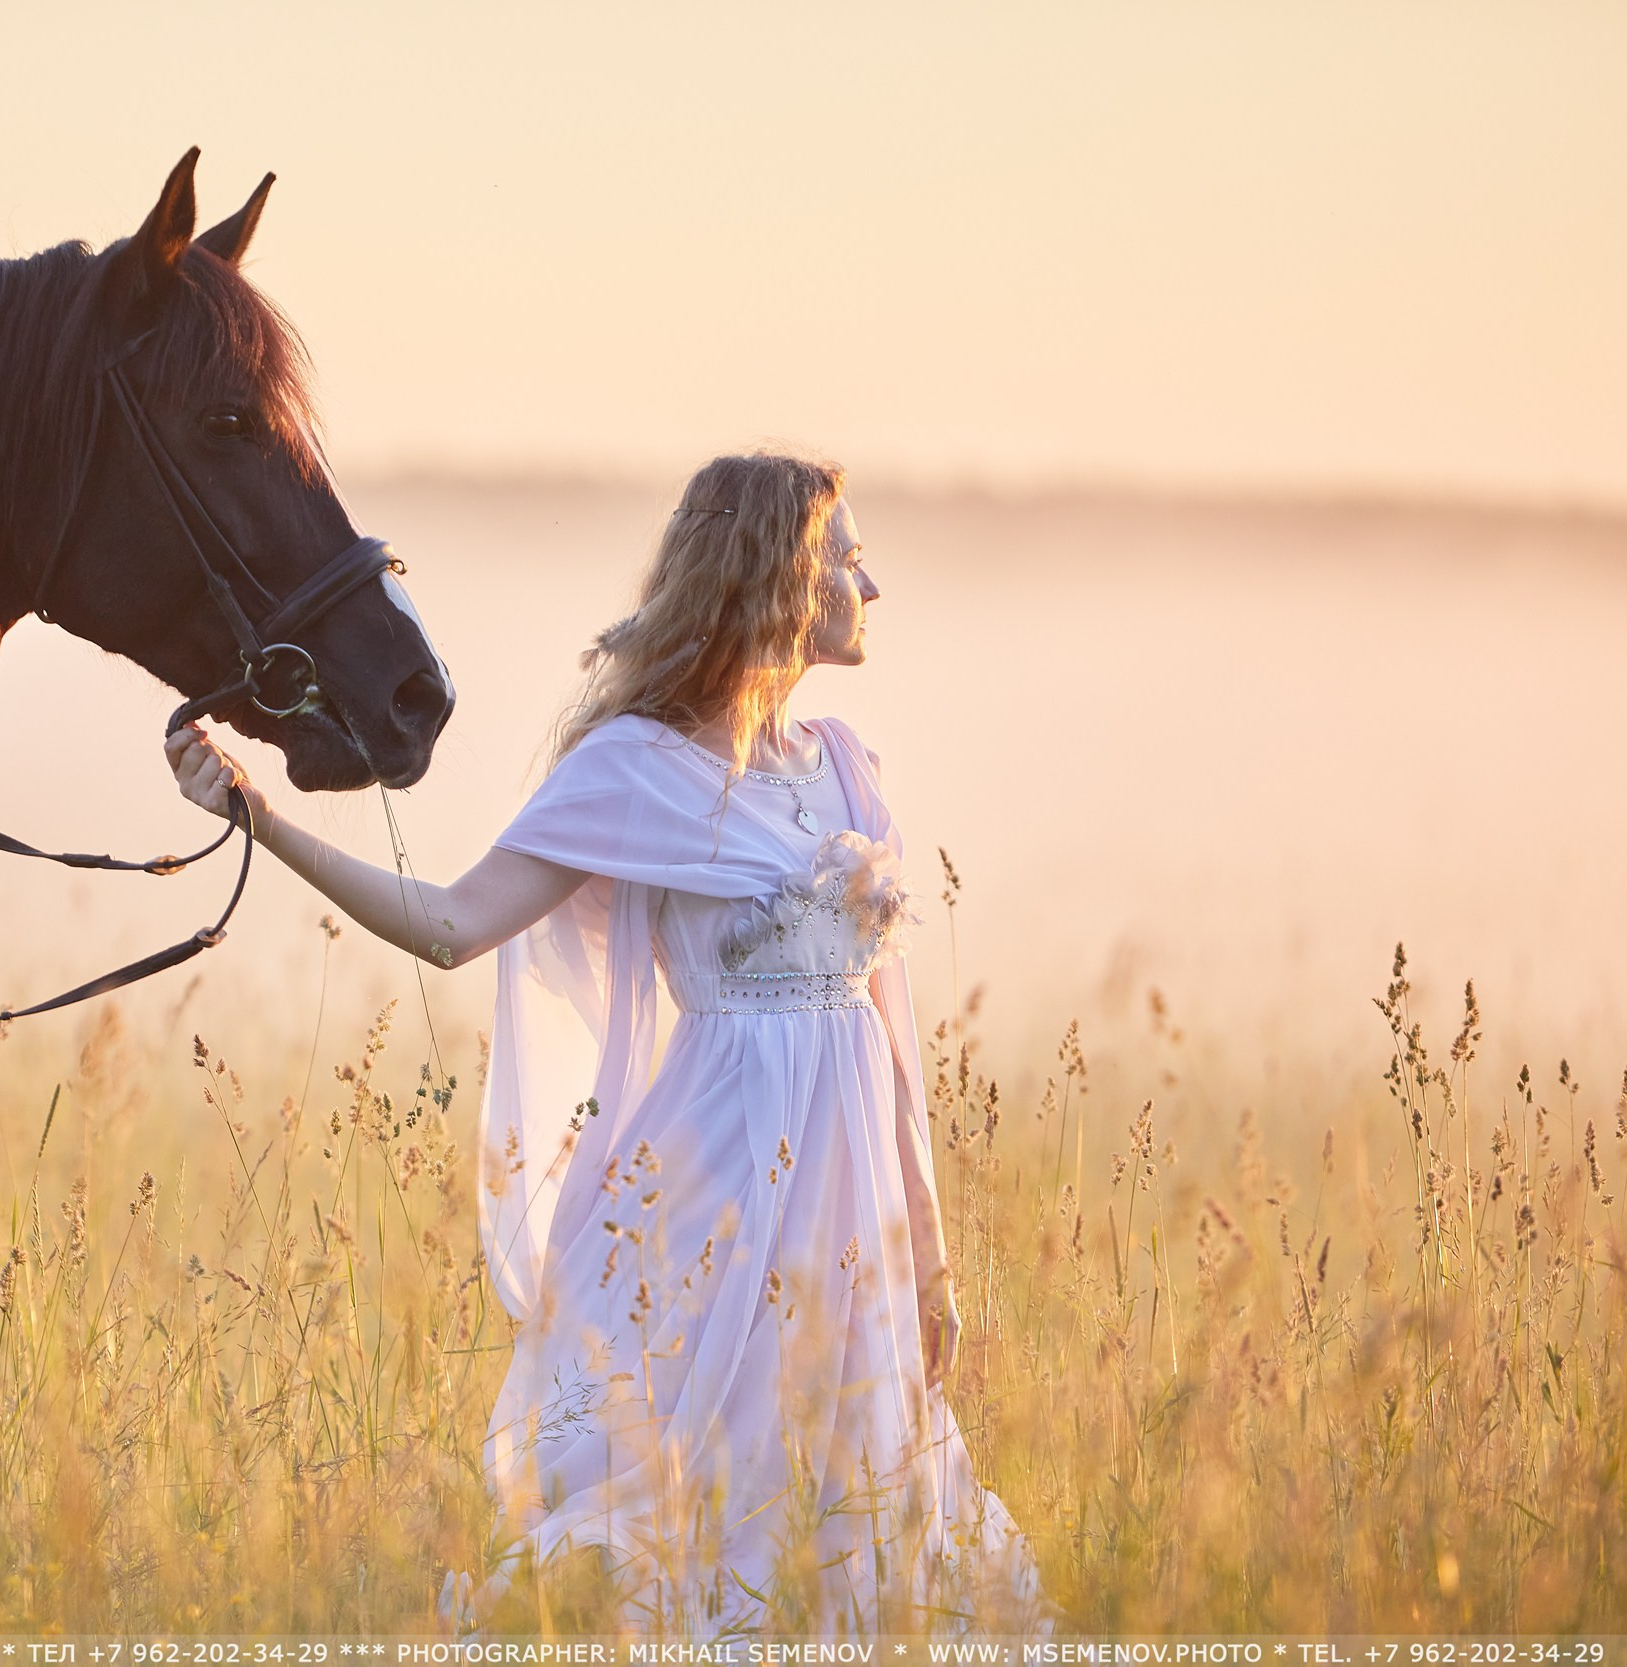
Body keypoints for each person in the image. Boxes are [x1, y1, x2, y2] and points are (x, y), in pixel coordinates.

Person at [164, 453, 1041, 1634]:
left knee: (860, 1484)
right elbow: (449, 922)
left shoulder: (846, 768)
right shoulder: (632, 768)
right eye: (846, 557)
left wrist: (928, 1251)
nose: (869, 584)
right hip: (715, 1188)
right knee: (709, 1478)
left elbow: (894, 1041)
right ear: (776, 575)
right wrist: (257, 818)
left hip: (855, 1205)